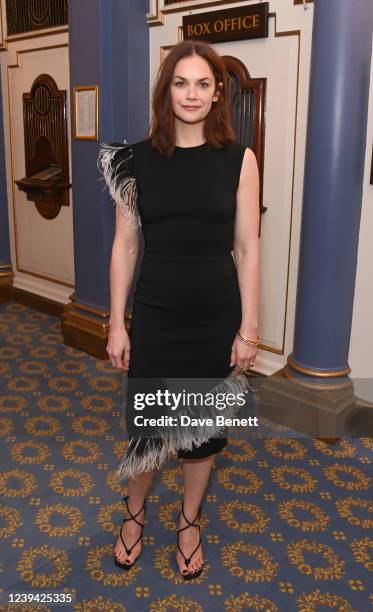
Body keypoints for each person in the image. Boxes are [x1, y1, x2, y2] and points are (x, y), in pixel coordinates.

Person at [98, 39, 260, 580]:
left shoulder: (241, 160)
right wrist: (117, 321)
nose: (192, 93)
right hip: (159, 313)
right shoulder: (135, 160)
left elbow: (248, 249)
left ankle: (190, 521)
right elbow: (125, 246)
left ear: (218, 95)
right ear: (165, 91)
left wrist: (249, 328)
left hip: (215, 314)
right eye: (180, 82)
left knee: (200, 433)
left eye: (203, 84)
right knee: (147, 429)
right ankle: (134, 513)